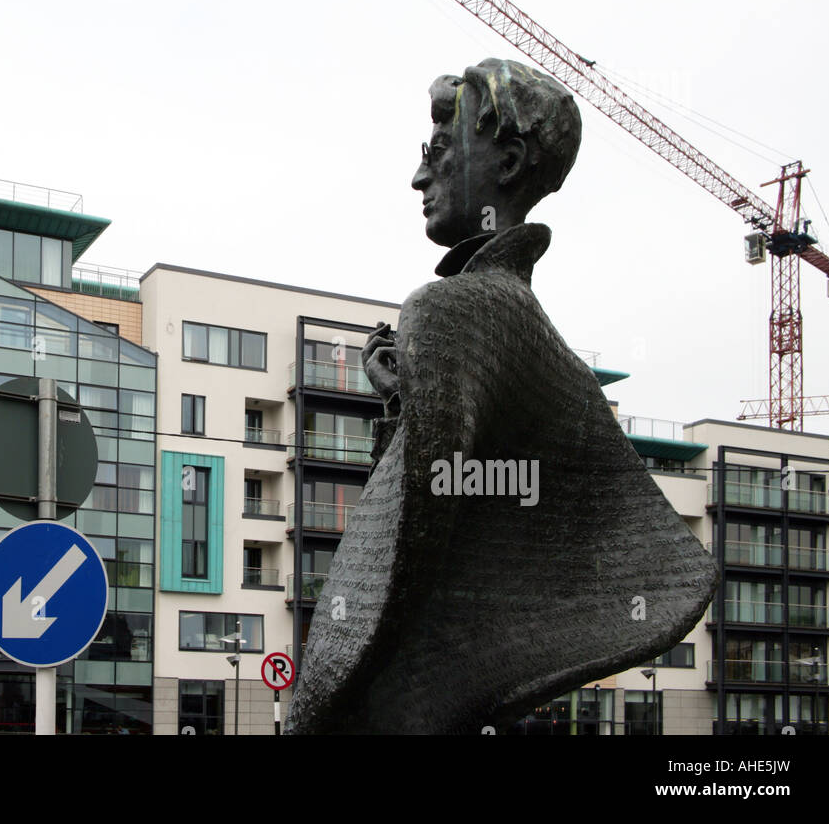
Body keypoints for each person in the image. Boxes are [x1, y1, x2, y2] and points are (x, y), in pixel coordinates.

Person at [286, 59, 717, 735]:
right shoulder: (529, 327)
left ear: (508, 161)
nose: (419, 177)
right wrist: (407, 403)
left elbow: (407, 555)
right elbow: (449, 504)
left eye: (439, 152)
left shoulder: (448, 310)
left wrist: (319, 707)